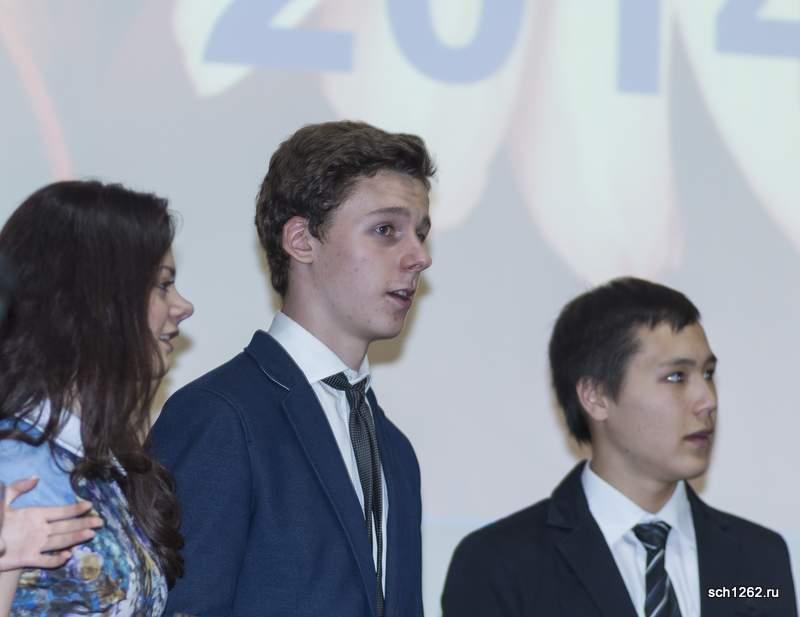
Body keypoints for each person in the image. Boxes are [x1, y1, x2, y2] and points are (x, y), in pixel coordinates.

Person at [151, 120, 434, 616]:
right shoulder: (220, 416)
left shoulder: (394, 449)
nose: (419, 257)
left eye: (421, 234)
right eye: (386, 230)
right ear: (301, 240)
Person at [442, 277, 797, 617]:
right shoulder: (501, 565)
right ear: (596, 396)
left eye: (708, 373)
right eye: (676, 377)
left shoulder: (758, 560)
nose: (707, 400)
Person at [0, 180, 194, 616]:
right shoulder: (14, 464)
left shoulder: (99, 460)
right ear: (99, 302)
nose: (183, 306)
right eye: (163, 285)